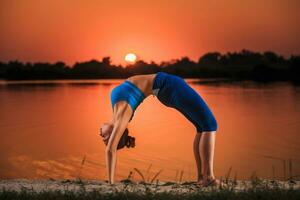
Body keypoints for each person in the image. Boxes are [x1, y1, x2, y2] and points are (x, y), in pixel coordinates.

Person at [99, 72, 221, 186]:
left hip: (166, 87)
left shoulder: (116, 109)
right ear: (115, 133)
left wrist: (112, 141)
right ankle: (208, 177)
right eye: (105, 138)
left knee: (201, 127)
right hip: (169, 86)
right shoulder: (123, 112)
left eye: (104, 138)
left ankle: (201, 178)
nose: (101, 135)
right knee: (210, 125)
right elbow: (111, 150)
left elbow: (111, 145)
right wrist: (111, 183)